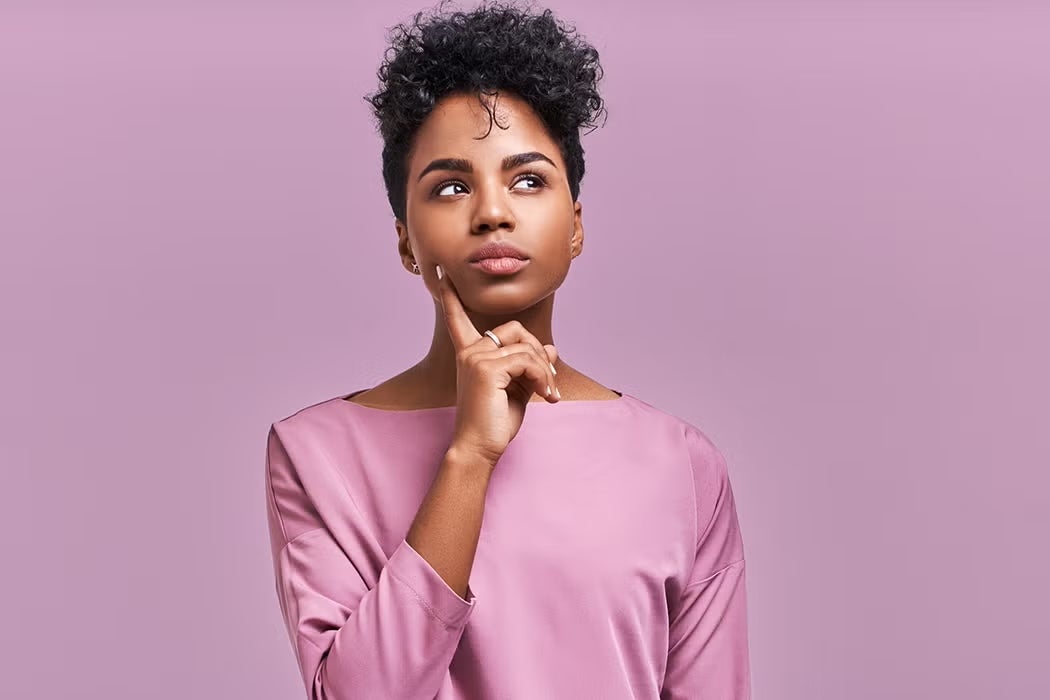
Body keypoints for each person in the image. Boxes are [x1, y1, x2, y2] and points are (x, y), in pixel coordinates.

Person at [264, 1, 751, 697]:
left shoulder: (681, 464)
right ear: (406, 239)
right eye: (452, 186)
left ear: (575, 226)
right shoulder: (315, 453)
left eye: (528, 179)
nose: (493, 211)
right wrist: (470, 455)